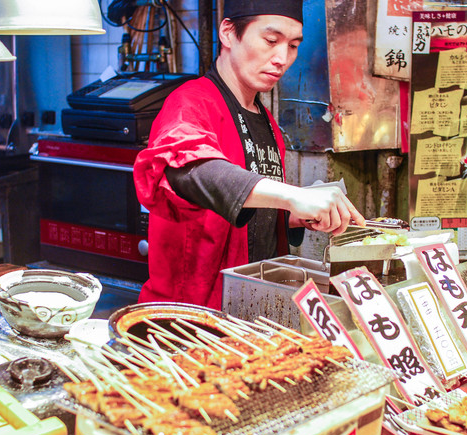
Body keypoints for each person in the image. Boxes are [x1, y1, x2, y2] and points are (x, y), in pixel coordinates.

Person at [133, 0, 365, 310]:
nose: (282, 58)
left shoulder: (265, 119)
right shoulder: (190, 103)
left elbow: (251, 219)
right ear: (228, 33)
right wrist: (290, 195)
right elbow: (187, 168)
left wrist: (294, 215)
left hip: (250, 310)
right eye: (271, 40)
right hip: (189, 316)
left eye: (293, 45)